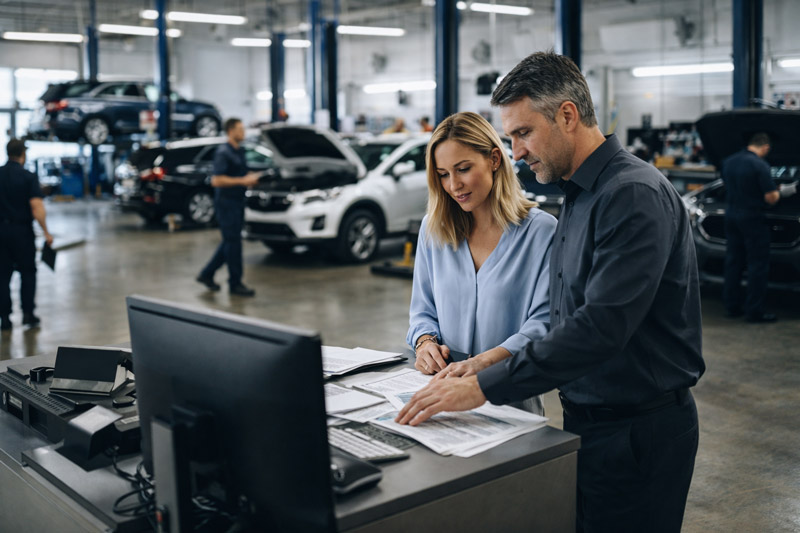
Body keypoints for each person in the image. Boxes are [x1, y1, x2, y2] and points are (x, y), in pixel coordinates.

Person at [397, 51, 705, 533]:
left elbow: (599, 328)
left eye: (523, 133)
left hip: (638, 432)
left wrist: (480, 385)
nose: (516, 151)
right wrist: (464, 360)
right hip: (592, 422)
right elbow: (559, 318)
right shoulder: (581, 197)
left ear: (566, 115)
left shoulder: (630, 195)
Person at [408, 111, 556, 415]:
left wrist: (484, 364)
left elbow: (544, 324)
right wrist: (424, 343)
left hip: (510, 403)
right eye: (443, 174)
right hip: (440, 398)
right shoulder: (433, 229)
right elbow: (422, 311)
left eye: (463, 169)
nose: (454, 185)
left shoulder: (541, 232)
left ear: (494, 160)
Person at [721, 132, 797, 323]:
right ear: (765, 147)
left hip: (731, 216)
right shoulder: (760, 165)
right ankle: (754, 311)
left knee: (733, 262)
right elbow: (770, 198)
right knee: (757, 265)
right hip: (752, 218)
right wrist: (786, 192)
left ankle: (732, 306)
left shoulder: (728, 161)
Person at [197, 118, 260, 297]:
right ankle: (235, 283)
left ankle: (206, 274)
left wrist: (251, 177)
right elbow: (217, 180)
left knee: (230, 242)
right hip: (226, 204)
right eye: (240, 129)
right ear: (230, 131)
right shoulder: (223, 152)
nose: (243, 132)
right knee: (233, 244)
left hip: (238, 202)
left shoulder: (239, 151)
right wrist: (243, 181)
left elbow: (240, 173)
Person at [0, 139, 53, 330]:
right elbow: (36, 206)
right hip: (22, 232)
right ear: (23, 153)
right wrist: (46, 232)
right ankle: (28, 314)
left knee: (2, 275)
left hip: (1, 233)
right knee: (28, 273)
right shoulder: (28, 177)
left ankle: (4, 318)